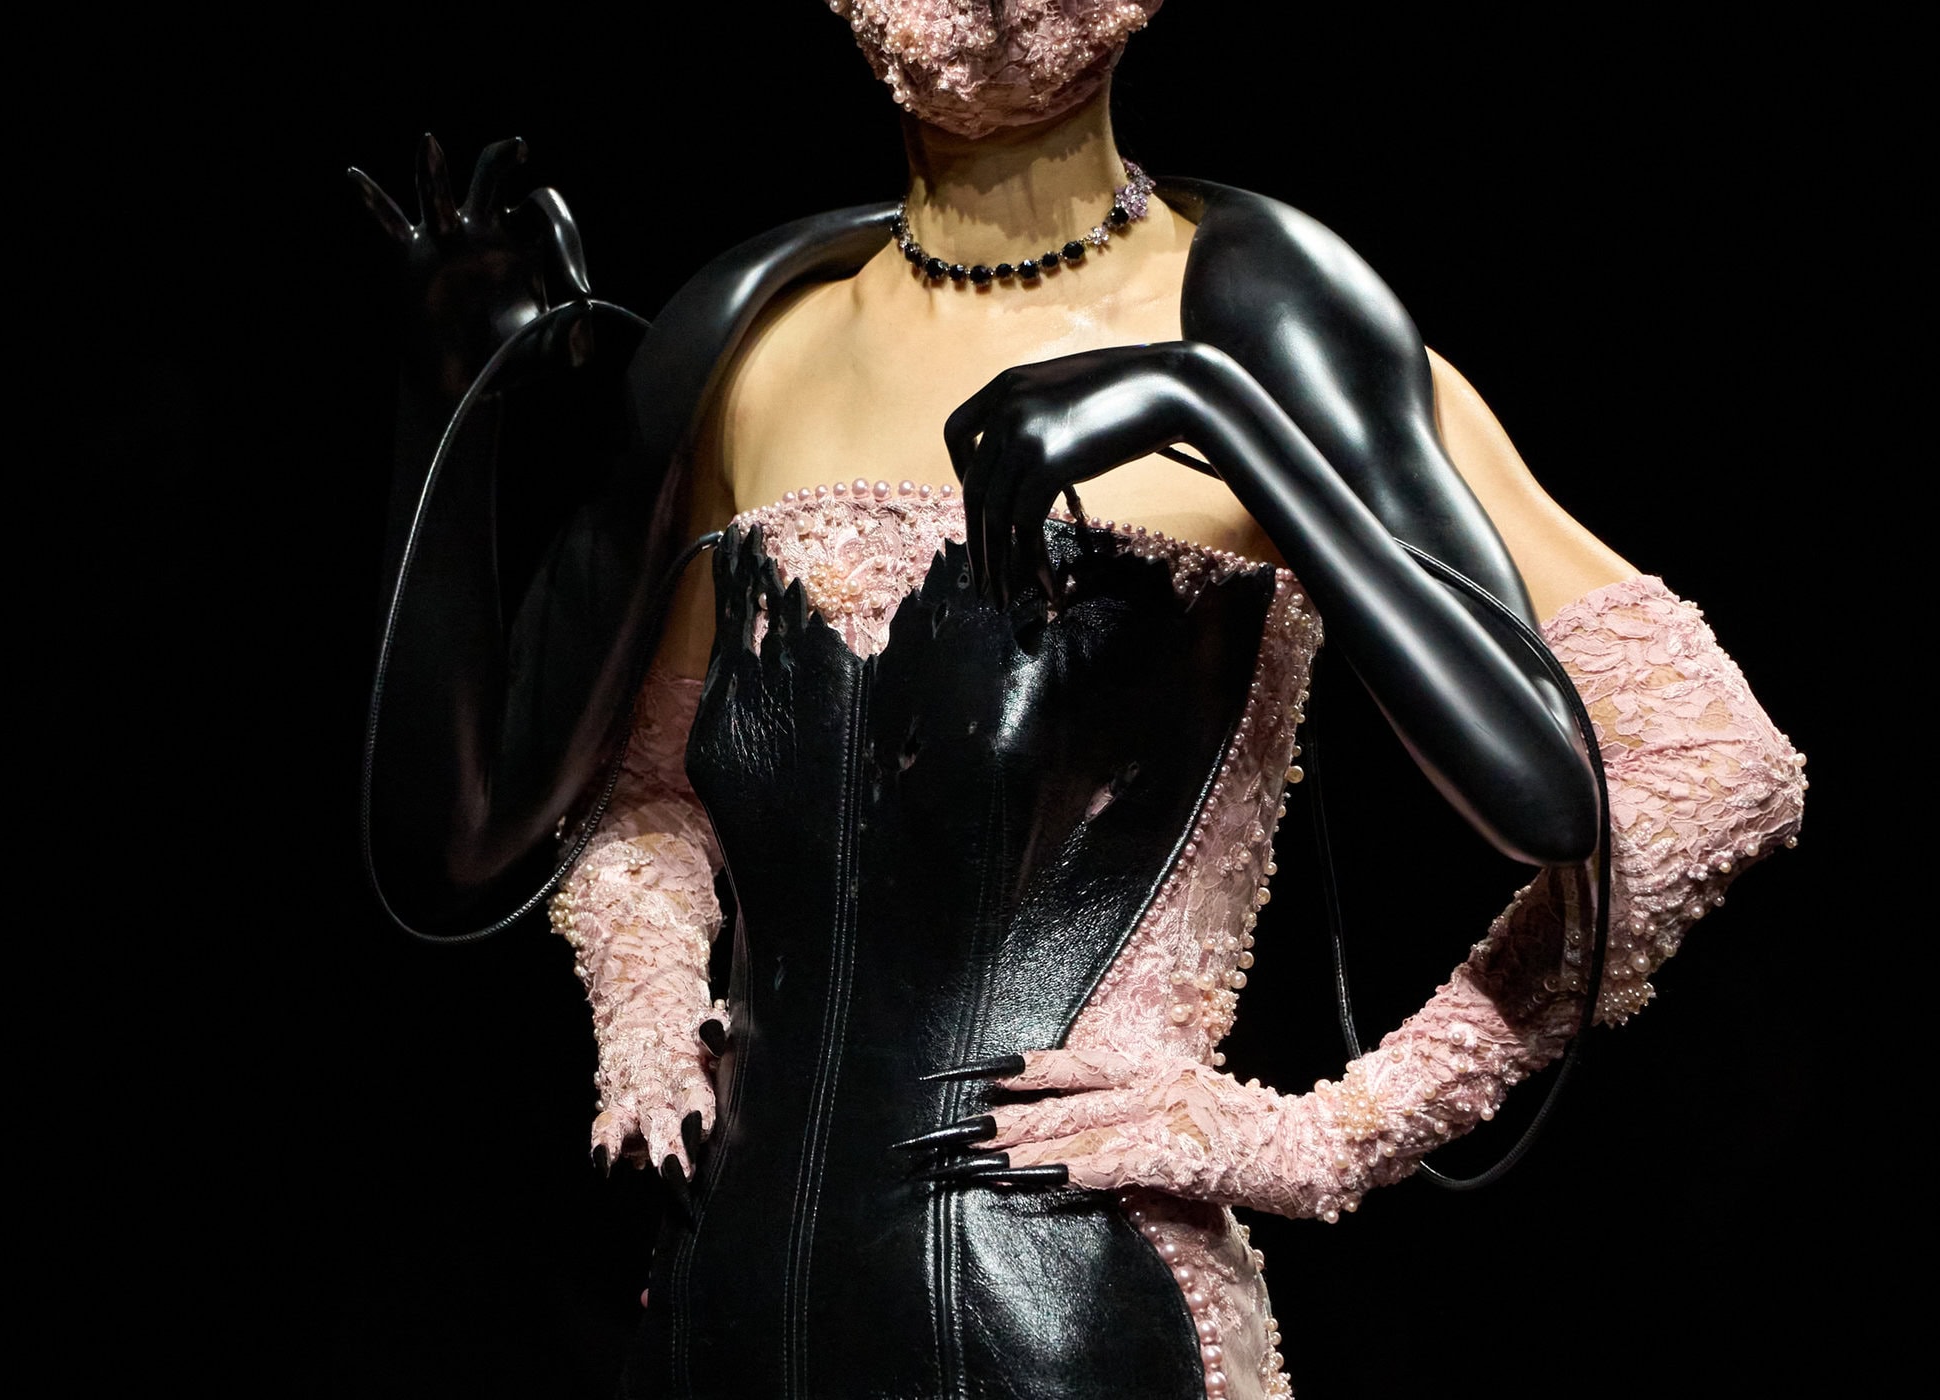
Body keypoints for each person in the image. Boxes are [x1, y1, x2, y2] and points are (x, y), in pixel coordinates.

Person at [352, 4, 1807, 1395]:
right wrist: (651, 1014)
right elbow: (605, 801)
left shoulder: (1270, 310)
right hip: (716, 1318)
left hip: (1074, 1321)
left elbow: (1703, 766)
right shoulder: (748, 340)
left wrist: (1334, 1135)